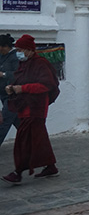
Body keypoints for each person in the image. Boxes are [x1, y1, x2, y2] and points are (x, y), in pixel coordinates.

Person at [2, 35, 60, 185]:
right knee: (39, 139)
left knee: (24, 140)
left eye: (20, 50)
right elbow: (19, 80)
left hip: (36, 107)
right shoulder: (24, 64)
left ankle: (18, 172)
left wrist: (22, 88)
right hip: (25, 106)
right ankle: (50, 166)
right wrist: (12, 89)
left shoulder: (41, 64)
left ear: (28, 50)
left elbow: (46, 85)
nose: (19, 53)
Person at [0, 34, 20, 147]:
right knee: (18, 121)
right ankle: (33, 141)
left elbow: (18, 75)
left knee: (5, 120)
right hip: (2, 94)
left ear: (6, 47)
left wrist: (3, 74)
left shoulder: (15, 57)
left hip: (12, 95)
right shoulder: (1, 56)